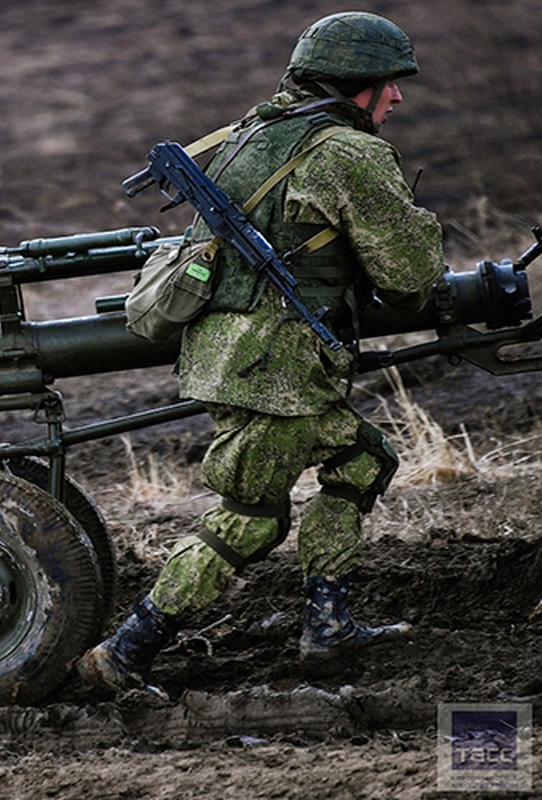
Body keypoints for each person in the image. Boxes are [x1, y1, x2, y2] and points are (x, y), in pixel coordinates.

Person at [79, 12, 446, 694]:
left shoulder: (258, 130)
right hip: (273, 368)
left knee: (364, 460)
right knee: (250, 517)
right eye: (390, 84)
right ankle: (125, 654)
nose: (398, 98)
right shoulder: (348, 154)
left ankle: (327, 623)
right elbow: (410, 277)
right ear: (355, 84)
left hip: (243, 355)